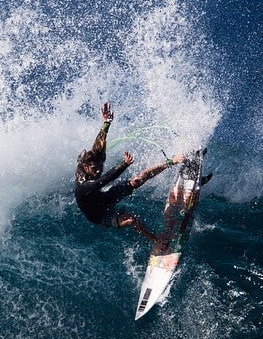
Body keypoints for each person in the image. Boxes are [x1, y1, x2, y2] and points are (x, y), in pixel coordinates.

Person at [74, 102, 186, 244]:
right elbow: (106, 179)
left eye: (99, 167)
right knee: (131, 219)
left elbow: (98, 145)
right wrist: (124, 165)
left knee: (138, 179)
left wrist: (106, 123)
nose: (98, 170)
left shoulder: (95, 160)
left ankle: (171, 162)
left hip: (104, 198)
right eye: (94, 169)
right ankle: (156, 240)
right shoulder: (83, 186)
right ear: (85, 166)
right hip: (100, 216)